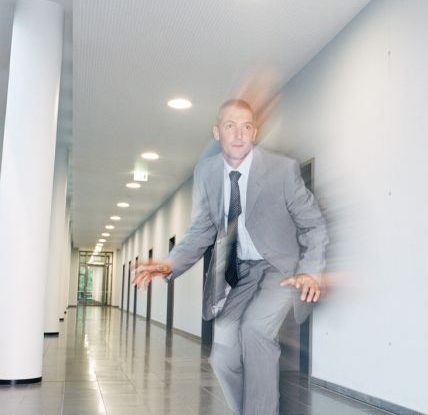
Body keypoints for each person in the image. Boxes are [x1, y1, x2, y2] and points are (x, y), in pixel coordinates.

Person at [133, 98, 328, 415]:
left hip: (281, 269)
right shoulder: (207, 173)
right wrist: (170, 262)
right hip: (243, 272)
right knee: (223, 354)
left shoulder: (281, 170)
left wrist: (310, 271)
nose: (239, 135)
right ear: (217, 132)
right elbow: (203, 230)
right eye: (230, 126)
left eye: (246, 126)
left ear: (255, 132)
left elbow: (314, 225)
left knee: (255, 331)